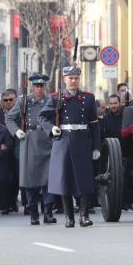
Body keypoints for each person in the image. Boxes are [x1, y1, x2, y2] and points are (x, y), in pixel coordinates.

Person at [38, 65, 101, 228]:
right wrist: (51, 128)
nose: (73, 81)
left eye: (76, 78)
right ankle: (69, 217)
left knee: (85, 180)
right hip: (63, 141)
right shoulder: (55, 98)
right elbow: (42, 117)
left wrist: (96, 147)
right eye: (70, 78)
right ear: (64, 80)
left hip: (82, 140)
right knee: (64, 179)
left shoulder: (88, 98)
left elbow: (94, 124)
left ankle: (84, 216)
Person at [6, 74, 57, 225]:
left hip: (47, 139)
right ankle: (33, 212)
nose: (39, 89)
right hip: (29, 139)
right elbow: (9, 118)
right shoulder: (24, 101)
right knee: (30, 178)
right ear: (32, 87)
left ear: (45, 87)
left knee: (48, 179)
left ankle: (48, 211)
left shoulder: (51, 100)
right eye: (36, 86)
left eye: (42, 86)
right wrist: (16, 131)